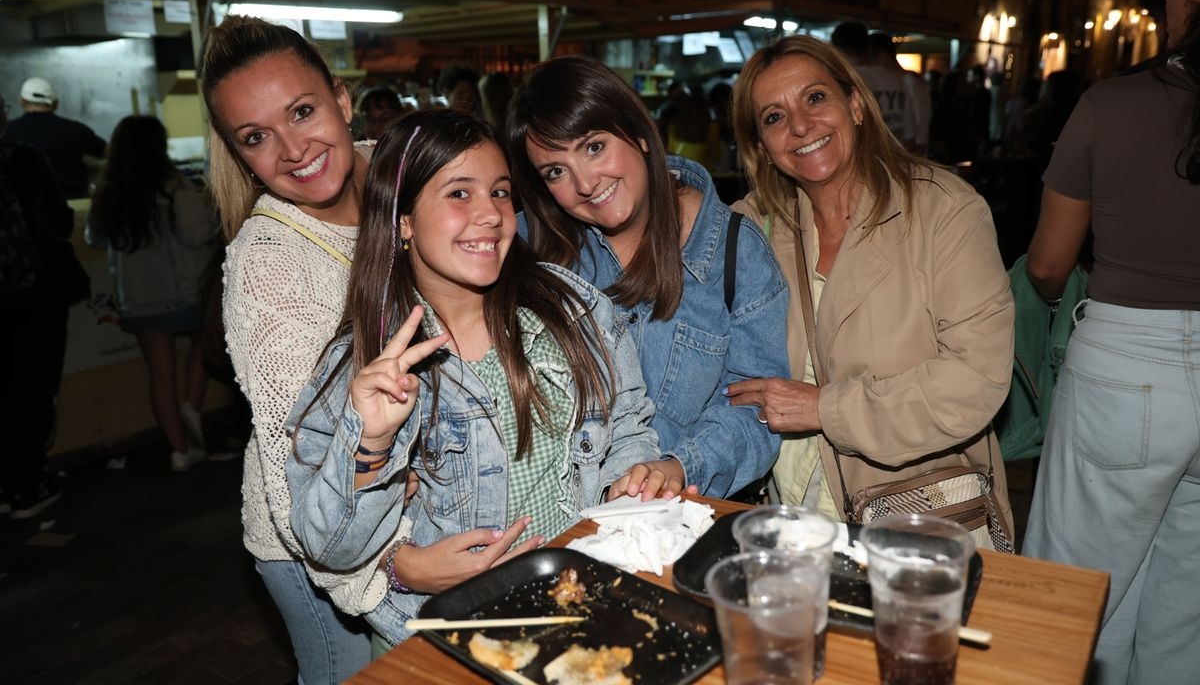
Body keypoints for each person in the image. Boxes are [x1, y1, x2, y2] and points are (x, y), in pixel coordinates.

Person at [286, 109, 683, 647]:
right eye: (458, 194)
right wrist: (371, 443)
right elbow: (330, 547)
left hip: (578, 603)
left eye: (500, 192)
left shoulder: (571, 308)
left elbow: (628, 423)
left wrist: (630, 480)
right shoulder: (366, 364)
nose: (491, 214)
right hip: (449, 634)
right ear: (402, 219)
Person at [722, 35, 1015, 544]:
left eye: (815, 98)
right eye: (773, 117)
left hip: (916, 506)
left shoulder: (944, 211)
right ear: (761, 147)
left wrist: (824, 409)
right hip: (791, 505)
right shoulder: (754, 227)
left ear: (855, 105)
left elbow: (976, 379)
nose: (799, 126)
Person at [1021, 0, 1200, 685]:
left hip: (1128, 363)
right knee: (1186, 601)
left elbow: (1048, 265)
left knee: (1076, 590)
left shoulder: (1113, 105)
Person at [507, 55, 787, 499]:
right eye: (555, 172)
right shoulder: (524, 244)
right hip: (555, 524)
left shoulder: (735, 253)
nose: (584, 183)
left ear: (638, 132)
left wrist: (681, 466)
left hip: (681, 524)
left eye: (594, 147)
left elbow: (757, 409)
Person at [199, 15, 378, 683]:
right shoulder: (267, 261)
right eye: (256, 137)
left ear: (342, 98)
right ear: (240, 154)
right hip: (315, 542)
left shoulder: (405, 176)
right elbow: (292, 452)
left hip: (410, 510)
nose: (293, 148)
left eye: (302, 111)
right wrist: (381, 573)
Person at [85, 116, 217, 472]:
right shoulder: (174, 187)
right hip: (184, 293)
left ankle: (179, 452)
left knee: (160, 375)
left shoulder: (108, 193)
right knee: (204, 349)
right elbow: (197, 233)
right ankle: (191, 405)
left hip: (139, 300)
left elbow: (94, 238)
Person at [0, 96, 75, 519]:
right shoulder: (25, 161)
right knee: (32, 387)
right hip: (33, 298)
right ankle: (29, 483)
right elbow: (59, 223)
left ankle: (5, 485)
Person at [3, 76, 106, 198]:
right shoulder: (77, 130)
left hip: (24, 209)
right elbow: (113, 154)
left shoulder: (5, 131)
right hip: (74, 207)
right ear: (56, 104)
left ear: (22, 102)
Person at [831, 22, 916, 151]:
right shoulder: (897, 77)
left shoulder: (846, 79)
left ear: (838, 49)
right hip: (895, 153)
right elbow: (910, 132)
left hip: (864, 156)